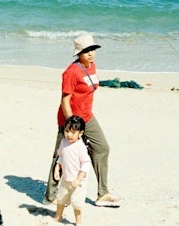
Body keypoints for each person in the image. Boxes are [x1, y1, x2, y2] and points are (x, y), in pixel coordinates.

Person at [45, 34, 122, 207]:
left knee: (102, 148)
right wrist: (71, 125)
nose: (91, 53)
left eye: (92, 49)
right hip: (70, 120)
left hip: (88, 117)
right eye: (86, 51)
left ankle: (102, 193)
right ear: (78, 53)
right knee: (61, 155)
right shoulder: (71, 72)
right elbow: (65, 100)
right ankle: (50, 196)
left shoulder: (92, 66)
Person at [53, 115, 90, 225]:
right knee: (61, 199)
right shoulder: (63, 142)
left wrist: (78, 179)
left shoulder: (81, 147)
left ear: (80, 133)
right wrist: (56, 168)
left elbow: (86, 164)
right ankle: (58, 217)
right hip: (66, 178)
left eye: (73, 132)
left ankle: (78, 222)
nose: (69, 135)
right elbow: (61, 156)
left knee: (76, 203)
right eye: (67, 131)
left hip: (79, 182)